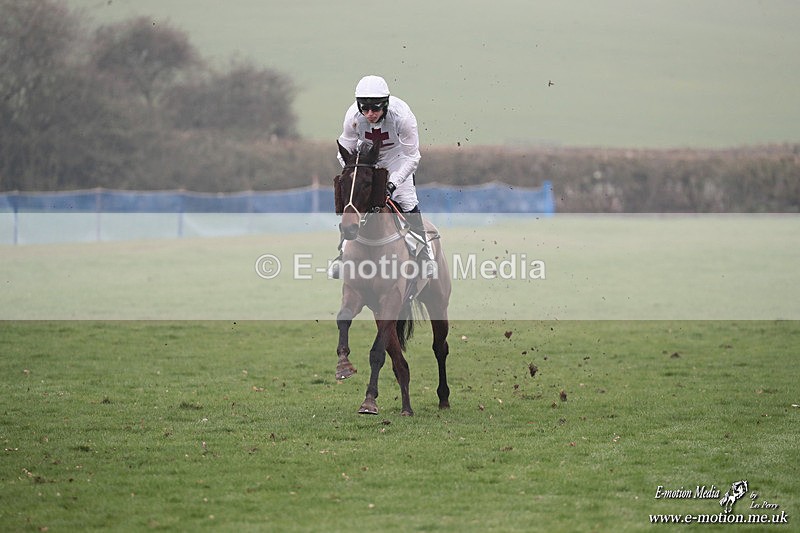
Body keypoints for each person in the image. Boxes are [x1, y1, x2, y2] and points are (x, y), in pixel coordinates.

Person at [328, 75, 436, 279]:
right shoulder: (352, 116)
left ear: (385, 104)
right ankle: (342, 254)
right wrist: (357, 174)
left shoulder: (402, 117)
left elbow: (413, 157)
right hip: (367, 160)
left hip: (398, 159)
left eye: (375, 109)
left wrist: (393, 184)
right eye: (365, 109)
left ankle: (425, 256)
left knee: (407, 200)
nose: (370, 114)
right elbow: (344, 151)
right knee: (353, 201)